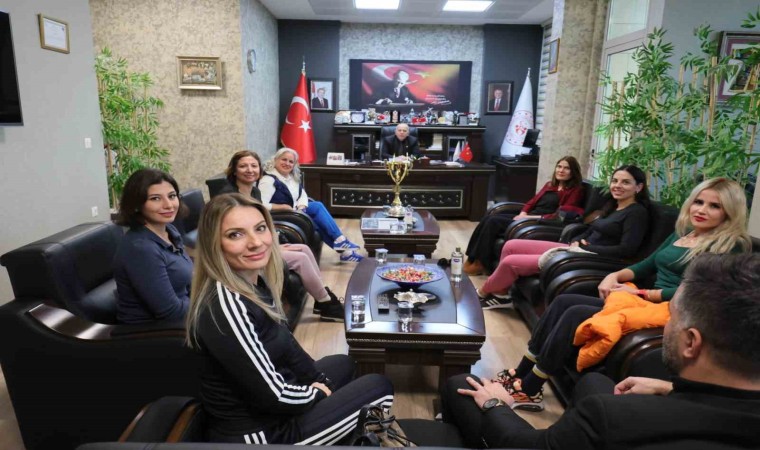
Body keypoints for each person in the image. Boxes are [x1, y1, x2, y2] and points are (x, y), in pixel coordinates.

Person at [443, 252, 760, 449]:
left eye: (671, 318)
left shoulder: (609, 418)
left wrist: (496, 403)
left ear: (691, 343)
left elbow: (523, 445)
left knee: (460, 386)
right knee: (594, 382)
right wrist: (668, 387)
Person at [487, 177, 751, 410]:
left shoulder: (731, 245)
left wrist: (647, 294)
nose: (702, 210)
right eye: (699, 202)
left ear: (729, 212)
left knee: (575, 312)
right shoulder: (683, 234)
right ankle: (521, 371)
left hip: (676, 311)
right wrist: (613, 276)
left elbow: (697, 291)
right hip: (642, 299)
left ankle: (530, 389)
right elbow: (646, 264)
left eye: (714, 206)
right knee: (564, 301)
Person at [185, 193, 394, 444]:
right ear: (214, 245)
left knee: (343, 364)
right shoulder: (225, 306)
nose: (256, 242)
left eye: (260, 228)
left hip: (278, 410)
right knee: (379, 386)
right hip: (263, 434)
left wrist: (319, 383)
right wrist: (316, 395)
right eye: (235, 234)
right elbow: (272, 395)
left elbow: (288, 348)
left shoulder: (253, 282)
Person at [478, 165, 651, 309]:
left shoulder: (637, 213)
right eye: (615, 181)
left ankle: (482, 292)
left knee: (511, 262)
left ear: (639, 187)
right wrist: (578, 239)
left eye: (626, 182)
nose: (617, 186)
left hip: (591, 257)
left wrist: (586, 247)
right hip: (578, 248)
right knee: (512, 245)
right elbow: (592, 229)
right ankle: (501, 293)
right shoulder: (613, 206)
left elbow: (627, 249)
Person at [221, 150, 344, 321]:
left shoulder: (254, 192)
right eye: (243, 166)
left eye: (253, 166)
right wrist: (269, 248)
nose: (249, 170)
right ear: (234, 170)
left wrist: (273, 244)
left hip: (259, 245)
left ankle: (321, 297)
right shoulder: (229, 198)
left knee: (303, 249)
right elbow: (235, 235)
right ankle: (326, 304)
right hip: (244, 252)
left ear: (259, 169)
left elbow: (258, 226)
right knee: (300, 259)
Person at [464, 156, 585, 275]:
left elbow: (560, 216)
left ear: (573, 172)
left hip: (541, 221)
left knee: (493, 222)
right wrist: (523, 212)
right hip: (528, 216)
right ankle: (472, 257)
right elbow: (532, 202)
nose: (561, 170)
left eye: (566, 168)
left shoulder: (575, 190)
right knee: (488, 218)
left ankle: (481, 263)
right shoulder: (550, 185)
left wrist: (527, 218)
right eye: (559, 166)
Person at [113, 169, 192, 324]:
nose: (168, 205)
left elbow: (188, 282)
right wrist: (209, 305)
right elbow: (171, 312)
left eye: (172, 196)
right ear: (137, 205)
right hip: (152, 331)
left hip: (183, 315)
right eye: (155, 198)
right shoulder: (141, 249)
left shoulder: (169, 230)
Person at [259, 147, 363, 262]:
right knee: (317, 206)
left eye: (291, 161)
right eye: (284, 160)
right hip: (282, 215)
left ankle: (346, 252)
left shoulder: (291, 177)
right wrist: (283, 207)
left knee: (317, 223)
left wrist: (302, 206)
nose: (287, 163)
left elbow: (302, 194)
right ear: (275, 160)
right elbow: (261, 204)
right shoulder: (268, 180)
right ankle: (341, 241)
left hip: (296, 211)